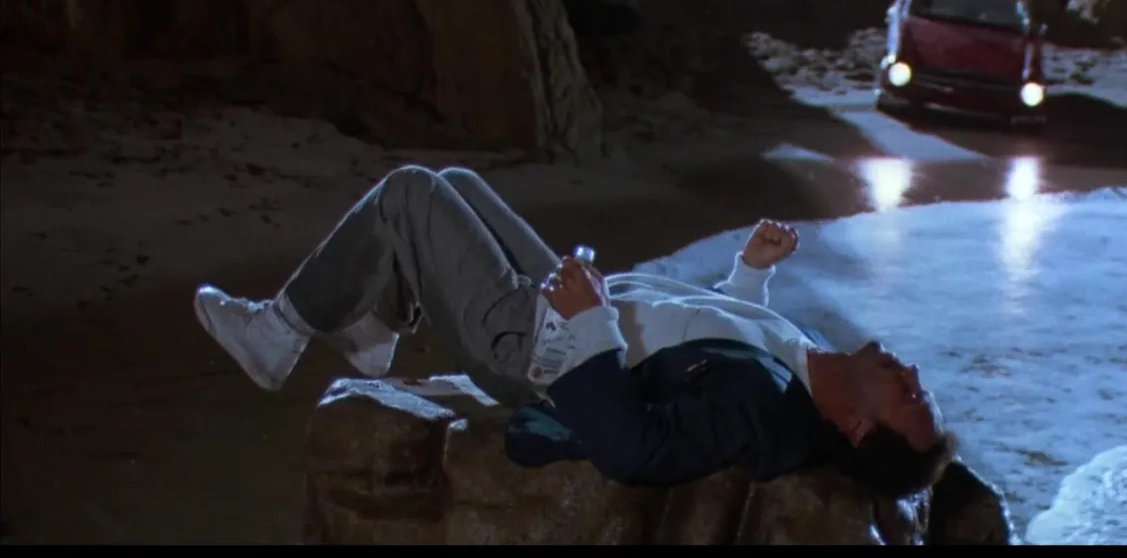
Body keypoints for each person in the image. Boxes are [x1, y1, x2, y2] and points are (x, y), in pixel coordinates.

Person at [194, 165, 956, 498]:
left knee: (412, 195)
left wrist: (588, 323)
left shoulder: (766, 412)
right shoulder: (800, 360)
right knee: (458, 184)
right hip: (576, 306)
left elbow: (636, 450)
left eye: (911, 400)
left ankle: (278, 335)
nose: (914, 377)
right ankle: (371, 325)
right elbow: (712, 339)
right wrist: (750, 273)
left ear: (859, 429)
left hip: (539, 349)